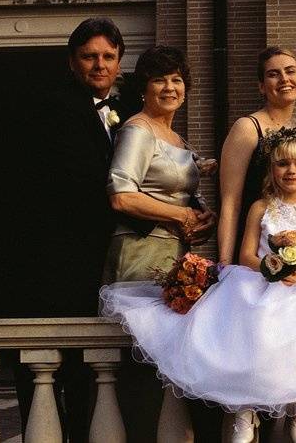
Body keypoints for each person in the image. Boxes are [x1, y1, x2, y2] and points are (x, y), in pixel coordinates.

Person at [101, 127, 296, 443]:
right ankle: (244, 406)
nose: (291, 171)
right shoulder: (261, 207)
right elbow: (247, 254)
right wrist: (270, 266)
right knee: (251, 321)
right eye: (283, 164)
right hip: (262, 279)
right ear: (272, 170)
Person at [0, 17, 136, 442]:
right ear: (71, 62)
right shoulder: (49, 108)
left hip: (105, 257)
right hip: (53, 260)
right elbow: (77, 184)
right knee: (48, 371)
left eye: (108, 57)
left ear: (119, 63)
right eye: (89, 56)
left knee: (90, 376)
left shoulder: (127, 113)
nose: (99, 65)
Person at [101, 45, 218, 442]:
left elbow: (174, 194)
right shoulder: (138, 129)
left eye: (177, 79)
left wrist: (199, 216)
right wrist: (180, 216)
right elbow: (121, 194)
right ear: (143, 88)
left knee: (170, 366)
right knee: (143, 364)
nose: (170, 87)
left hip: (173, 257)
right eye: (160, 79)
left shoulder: (174, 135)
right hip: (140, 255)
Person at [218, 47, 296, 263]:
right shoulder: (247, 128)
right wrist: (225, 264)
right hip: (254, 250)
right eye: (273, 74)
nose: (284, 79)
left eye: (290, 71)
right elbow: (230, 202)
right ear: (262, 86)